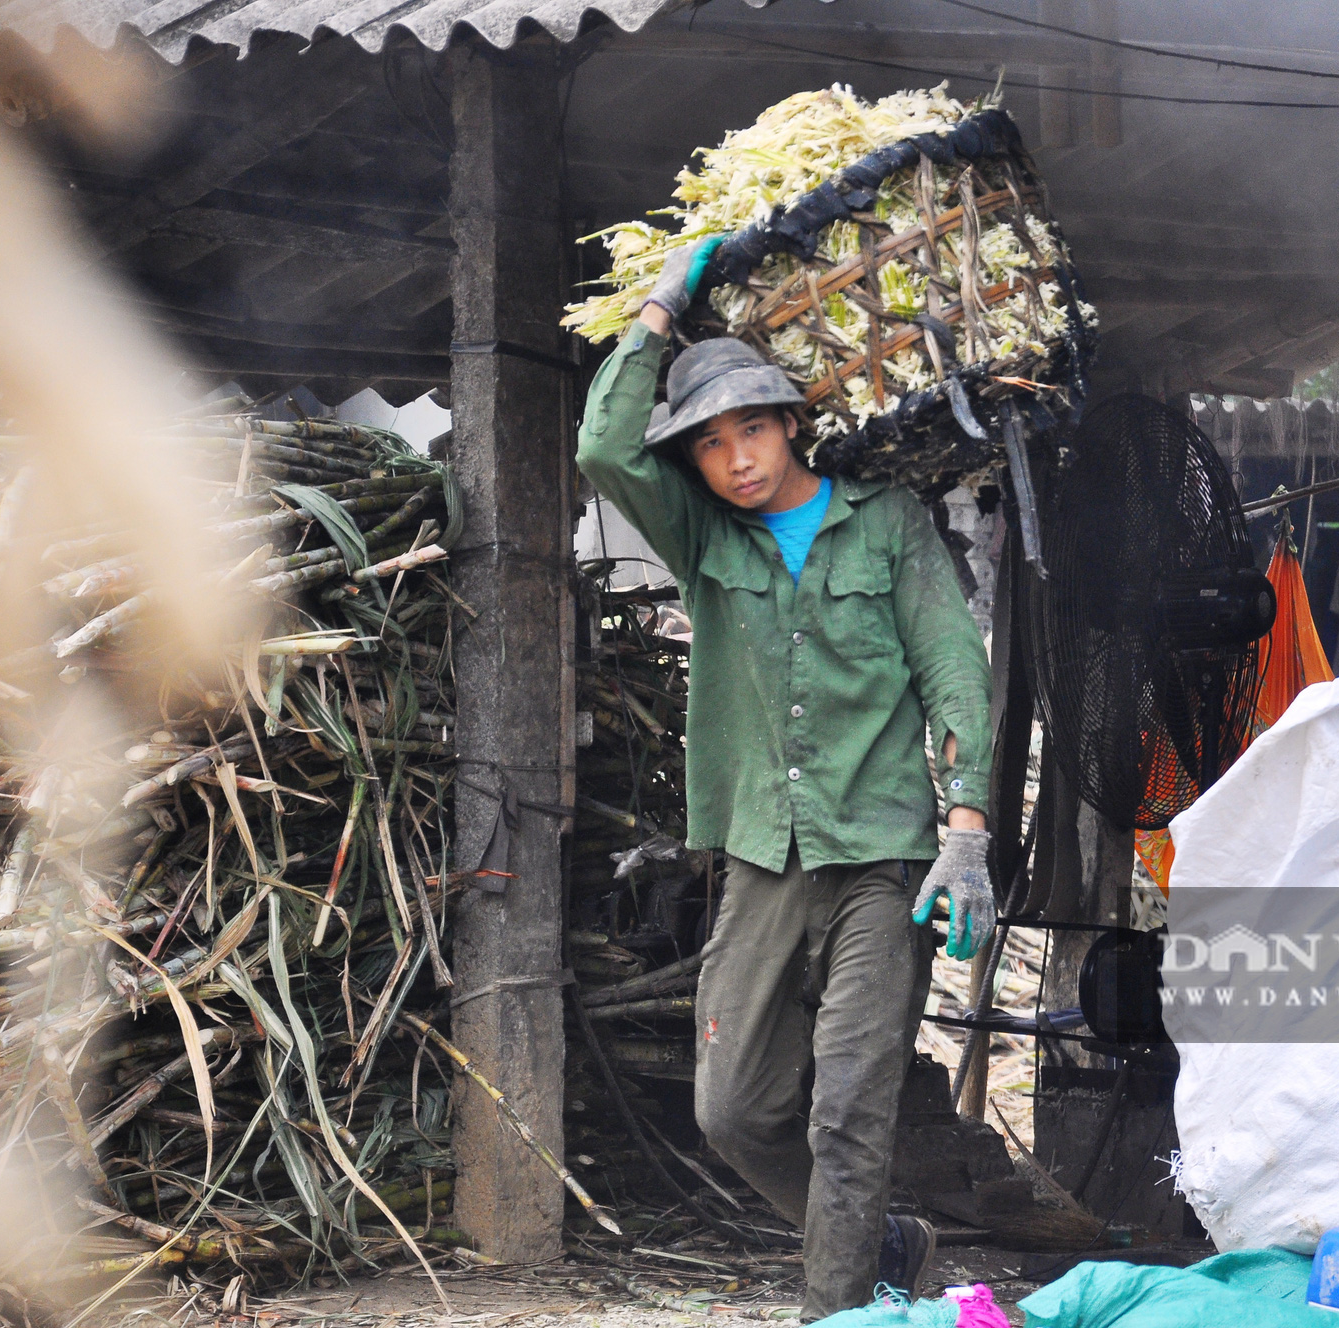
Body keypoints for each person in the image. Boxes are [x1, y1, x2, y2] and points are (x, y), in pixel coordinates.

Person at [576, 240, 997, 1319]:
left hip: (885, 855)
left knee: (847, 1110)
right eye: (710, 444)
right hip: (763, 850)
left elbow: (954, 668)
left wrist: (966, 832)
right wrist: (662, 305)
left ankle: (837, 1308)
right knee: (732, 1107)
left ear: (790, 423)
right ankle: (883, 1240)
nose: (736, 459)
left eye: (750, 428)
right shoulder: (703, 534)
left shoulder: (887, 524)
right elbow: (604, 447)